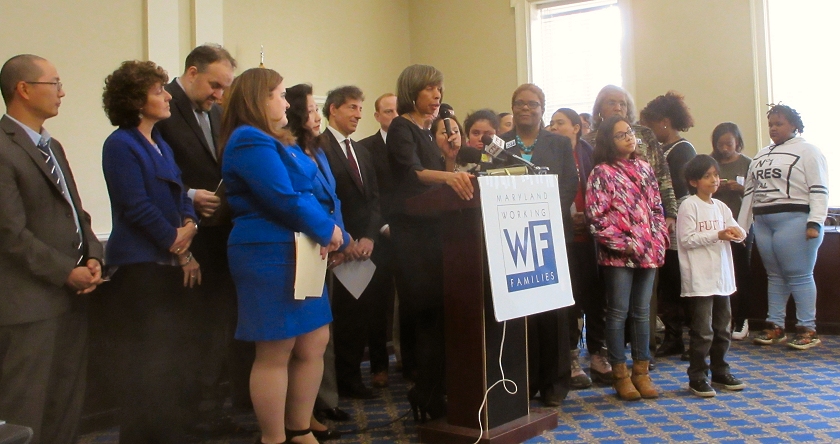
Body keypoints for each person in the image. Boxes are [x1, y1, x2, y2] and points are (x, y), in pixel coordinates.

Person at [220, 67, 348, 444]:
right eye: (278, 94)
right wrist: (328, 230)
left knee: (313, 340)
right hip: (268, 252)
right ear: (257, 99)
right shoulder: (248, 140)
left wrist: (329, 231)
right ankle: (273, 437)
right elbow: (282, 198)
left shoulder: (278, 140)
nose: (286, 102)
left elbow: (310, 193)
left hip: (301, 248)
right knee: (276, 348)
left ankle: (300, 428)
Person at [0, 54, 104, 444]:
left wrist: (94, 255)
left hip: (71, 296)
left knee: (66, 403)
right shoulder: (3, 147)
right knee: (26, 407)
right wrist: (66, 270)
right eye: (54, 83)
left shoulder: (51, 145)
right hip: (28, 304)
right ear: (23, 90)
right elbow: (10, 233)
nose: (62, 92)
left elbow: (77, 213)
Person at [101, 60, 202, 442]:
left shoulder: (160, 143)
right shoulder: (120, 144)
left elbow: (181, 193)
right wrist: (175, 241)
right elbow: (136, 205)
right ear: (135, 100)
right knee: (147, 362)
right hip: (139, 268)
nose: (166, 96)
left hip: (167, 261)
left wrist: (189, 229)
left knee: (172, 357)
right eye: (158, 90)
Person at [154, 44, 254, 430]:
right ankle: (189, 413)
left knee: (219, 327)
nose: (219, 95)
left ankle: (212, 408)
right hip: (183, 238)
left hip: (222, 235)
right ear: (191, 72)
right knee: (192, 331)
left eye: (225, 87)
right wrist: (192, 196)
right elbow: (157, 169)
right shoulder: (164, 107)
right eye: (214, 85)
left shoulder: (217, 112)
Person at [387, 64, 473, 421]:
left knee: (440, 320)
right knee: (425, 318)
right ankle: (425, 391)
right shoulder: (401, 127)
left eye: (440, 88)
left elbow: (439, 180)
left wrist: (452, 159)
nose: (438, 95)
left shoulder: (424, 132)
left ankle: (436, 390)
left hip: (435, 236)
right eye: (430, 89)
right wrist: (454, 176)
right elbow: (414, 175)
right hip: (412, 239)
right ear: (413, 91)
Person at [499, 84, 578, 405]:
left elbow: (569, 186)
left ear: (542, 109)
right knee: (520, 312)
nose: (525, 109)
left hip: (551, 236)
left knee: (554, 313)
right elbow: (492, 181)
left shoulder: (559, 144)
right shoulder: (499, 144)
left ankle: (555, 384)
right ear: (513, 107)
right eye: (519, 104)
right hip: (513, 240)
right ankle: (524, 381)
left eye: (532, 104)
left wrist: (541, 216)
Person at [586, 115, 669, 401]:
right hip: (619, 255)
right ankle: (620, 374)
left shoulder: (646, 168)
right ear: (609, 141)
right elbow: (596, 217)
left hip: (649, 252)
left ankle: (641, 372)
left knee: (642, 312)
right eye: (620, 134)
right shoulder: (601, 172)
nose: (628, 137)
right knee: (618, 312)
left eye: (630, 132)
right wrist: (625, 244)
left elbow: (657, 208)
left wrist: (657, 240)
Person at [319, 85, 392, 400]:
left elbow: (374, 200)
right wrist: (346, 241)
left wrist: (370, 238)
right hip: (334, 248)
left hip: (364, 250)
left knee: (357, 318)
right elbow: (325, 200)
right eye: (352, 107)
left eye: (361, 108)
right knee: (335, 322)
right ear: (333, 109)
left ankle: (352, 380)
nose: (358, 115)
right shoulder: (318, 147)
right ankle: (335, 385)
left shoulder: (362, 151)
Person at [283, 82, 345, 441]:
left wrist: (341, 238)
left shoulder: (318, 151)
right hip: (304, 247)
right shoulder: (286, 151)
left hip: (326, 245)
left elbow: (333, 198)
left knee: (320, 339)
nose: (317, 116)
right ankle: (298, 420)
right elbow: (297, 201)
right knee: (302, 341)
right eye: (311, 109)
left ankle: (308, 413)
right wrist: (329, 235)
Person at [739, 104, 828, 350]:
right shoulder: (760, 154)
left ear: (794, 125)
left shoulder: (809, 151)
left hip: (795, 219)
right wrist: (741, 227)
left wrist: (815, 222)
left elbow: (819, 189)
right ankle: (775, 325)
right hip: (764, 221)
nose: (773, 128)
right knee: (775, 276)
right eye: (770, 124)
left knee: (799, 276)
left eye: (779, 123)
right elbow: (750, 193)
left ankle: (807, 328)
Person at [547, 107, 611, 389]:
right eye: (551, 123)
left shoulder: (590, 153)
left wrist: (590, 218)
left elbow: (600, 189)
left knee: (596, 298)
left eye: (560, 123)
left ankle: (598, 354)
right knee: (570, 300)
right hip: (564, 235)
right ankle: (571, 358)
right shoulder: (549, 152)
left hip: (593, 235)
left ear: (576, 127)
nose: (554, 127)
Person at [677, 154, 747, 397]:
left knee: (722, 329)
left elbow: (739, 231)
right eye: (707, 176)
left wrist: (736, 233)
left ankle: (720, 370)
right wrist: (718, 235)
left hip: (722, 278)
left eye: (716, 175)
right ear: (694, 181)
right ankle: (697, 375)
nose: (714, 180)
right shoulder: (689, 205)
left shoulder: (721, 206)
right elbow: (686, 240)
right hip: (700, 279)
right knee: (702, 331)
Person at [639, 91, 698, 361]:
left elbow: (675, 187)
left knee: (680, 281)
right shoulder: (660, 149)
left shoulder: (682, 149)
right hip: (660, 222)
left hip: (678, 222)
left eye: (650, 126)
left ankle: (689, 338)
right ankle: (674, 337)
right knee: (669, 285)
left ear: (664, 121)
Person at [356, 92, 400, 386]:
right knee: (377, 303)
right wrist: (383, 226)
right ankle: (379, 367)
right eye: (387, 112)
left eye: (398, 111)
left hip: (412, 234)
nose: (393, 117)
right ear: (377, 116)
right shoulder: (365, 148)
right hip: (380, 236)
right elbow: (369, 197)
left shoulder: (413, 143)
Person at [710, 122, 753, 340]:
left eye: (729, 144)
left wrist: (741, 189)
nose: (725, 148)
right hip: (714, 228)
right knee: (718, 275)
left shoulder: (748, 164)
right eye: (721, 144)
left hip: (740, 226)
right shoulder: (711, 164)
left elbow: (756, 195)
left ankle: (742, 319)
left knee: (741, 273)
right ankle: (720, 321)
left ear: (737, 142)